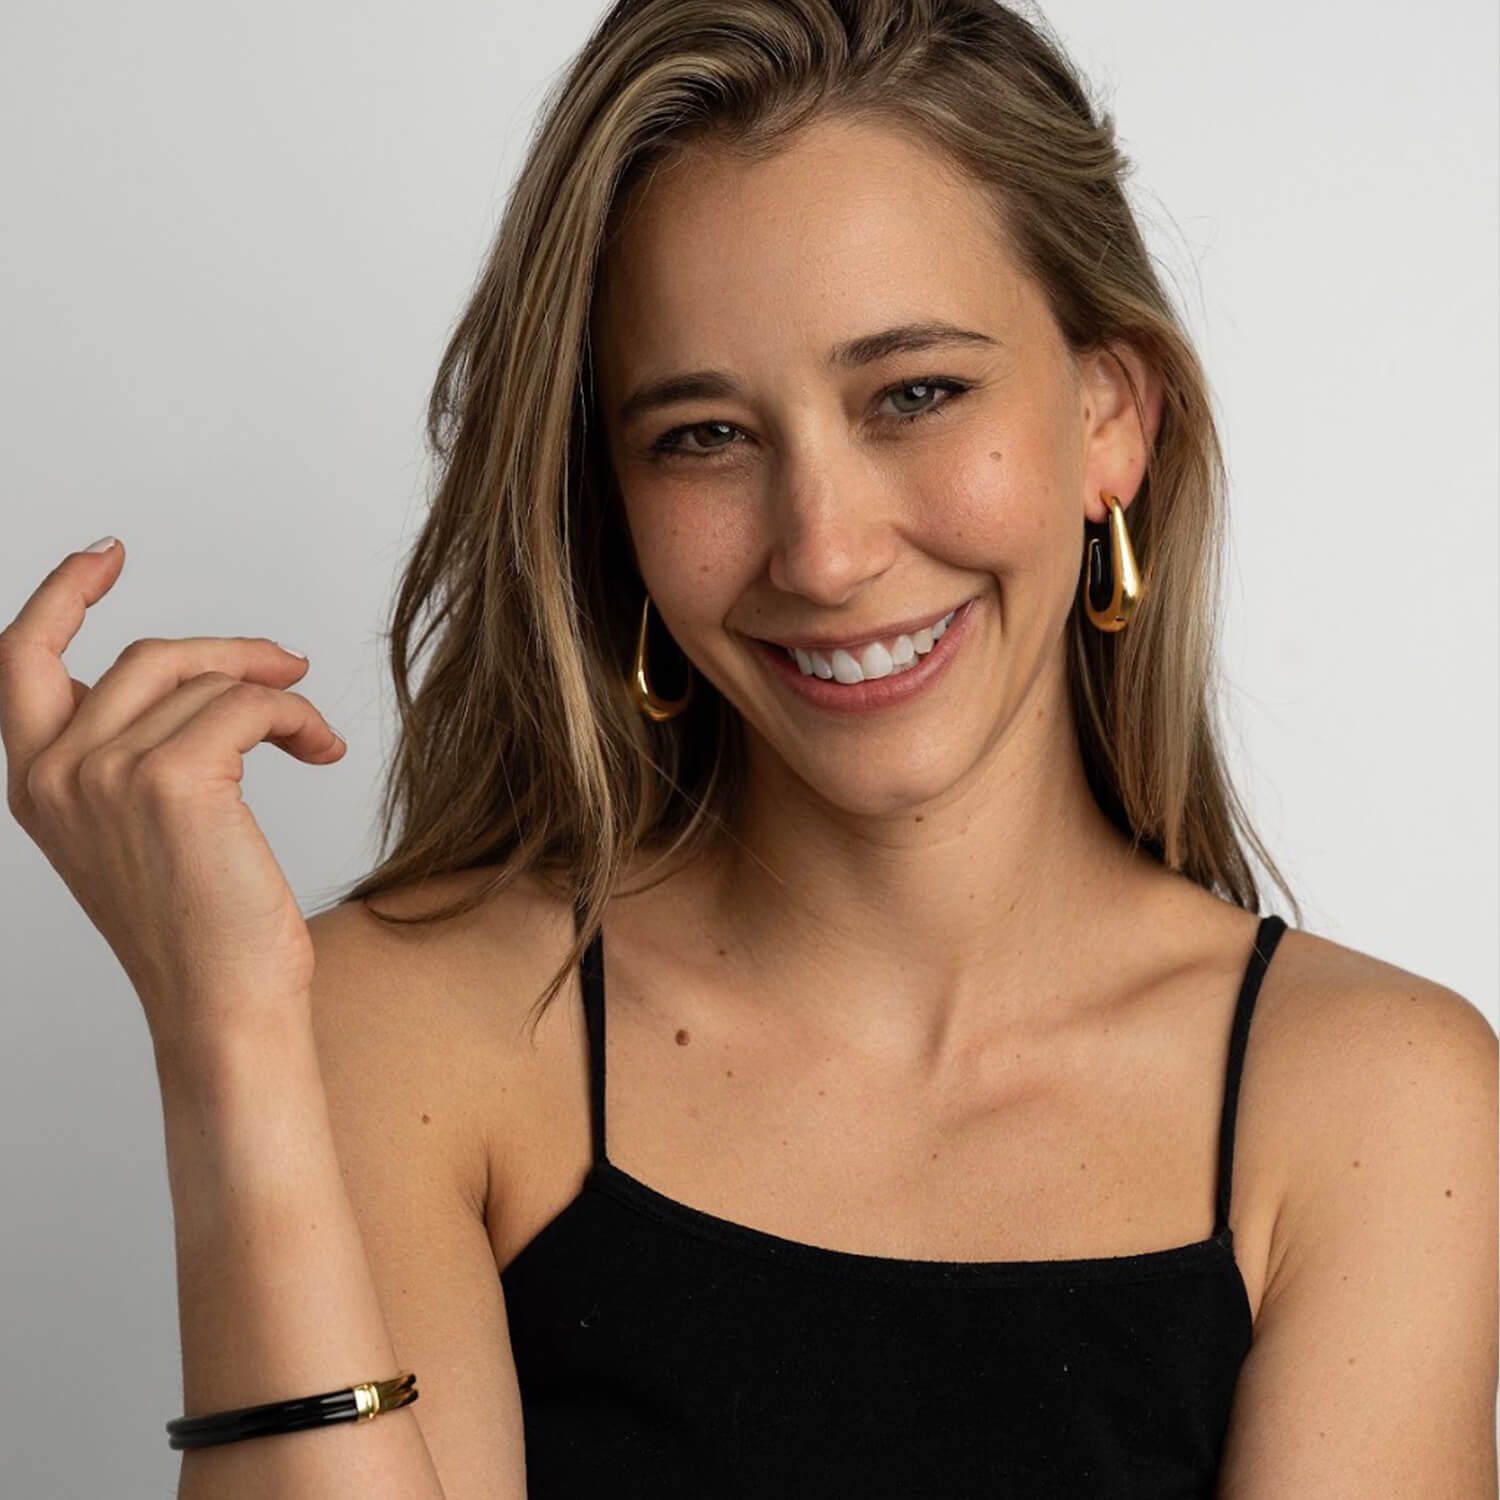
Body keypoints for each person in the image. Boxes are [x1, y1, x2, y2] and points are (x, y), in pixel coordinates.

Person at [2, 0, 1494, 1495]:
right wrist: (227, 1035)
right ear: (614, 500)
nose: (827, 552)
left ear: (1111, 414)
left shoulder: (1372, 1107)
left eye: (915, 394)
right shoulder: (416, 1035)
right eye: (703, 436)